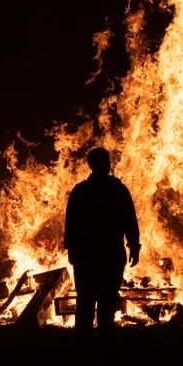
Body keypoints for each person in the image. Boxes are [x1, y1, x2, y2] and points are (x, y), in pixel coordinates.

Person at [64, 147, 140, 347]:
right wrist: (134, 246)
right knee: (107, 301)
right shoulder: (118, 190)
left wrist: (71, 249)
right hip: (111, 255)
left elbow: (70, 223)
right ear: (107, 164)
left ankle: (83, 344)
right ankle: (105, 342)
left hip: (85, 256)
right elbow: (130, 221)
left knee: (85, 301)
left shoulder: (80, 191)